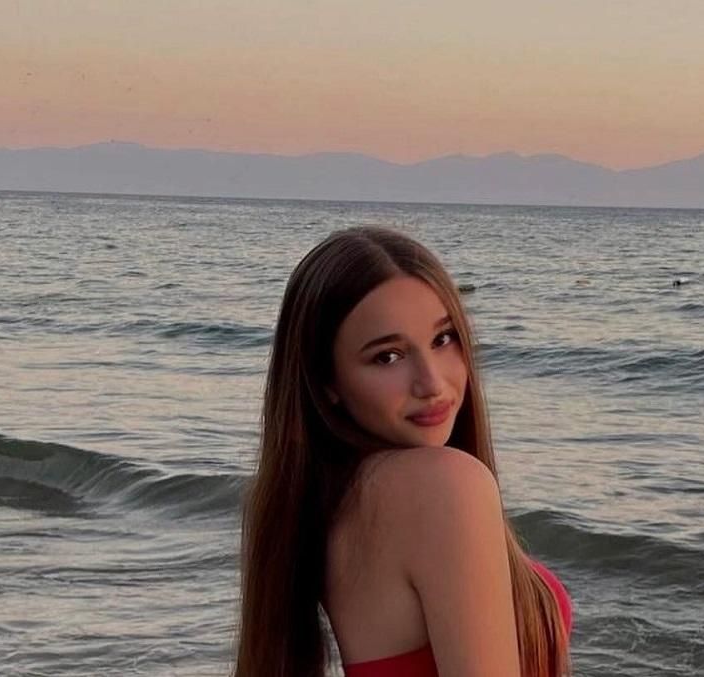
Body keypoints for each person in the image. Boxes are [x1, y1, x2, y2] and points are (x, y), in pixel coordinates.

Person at [233, 227, 572, 677]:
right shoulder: (440, 485)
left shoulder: (335, 501)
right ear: (326, 382)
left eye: (443, 338)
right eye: (387, 356)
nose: (431, 383)